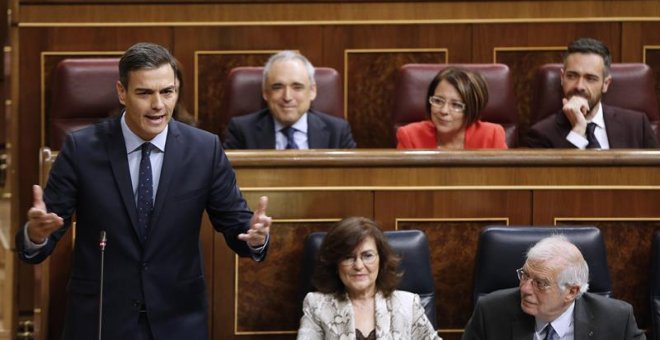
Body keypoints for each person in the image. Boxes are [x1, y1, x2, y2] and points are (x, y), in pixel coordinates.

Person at [15, 42, 272, 339]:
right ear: (122, 92)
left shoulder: (204, 150)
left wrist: (255, 237)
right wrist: (36, 235)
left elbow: (236, 225)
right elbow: (44, 235)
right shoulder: (81, 149)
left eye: (167, 92)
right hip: (101, 318)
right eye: (145, 93)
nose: (158, 105)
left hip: (177, 318)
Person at [462, 235, 645, 340]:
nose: (525, 289)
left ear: (571, 292)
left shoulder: (618, 320)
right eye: (525, 275)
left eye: (540, 283)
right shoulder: (491, 312)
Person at [297, 217, 440, 339]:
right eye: (348, 257)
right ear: (336, 263)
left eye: (367, 256)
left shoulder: (408, 305)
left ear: (381, 260)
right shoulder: (317, 305)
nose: (359, 265)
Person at [526, 37, 658, 149]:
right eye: (572, 76)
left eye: (590, 78)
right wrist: (577, 132)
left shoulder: (636, 125)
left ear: (605, 84)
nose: (579, 86)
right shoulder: (540, 134)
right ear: (562, 78)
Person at [223, 50, 357, 149]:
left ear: (312, 91)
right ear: (265, 93)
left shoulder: (338, 132)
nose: (287, 97)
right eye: (277, 87)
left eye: (297, 87)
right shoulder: (242, 131)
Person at [396, 67, 507, 149]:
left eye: (456, 105)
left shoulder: (492, 136)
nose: (444, 111)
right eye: (438, 101)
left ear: (473, 109)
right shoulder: (410, 136)